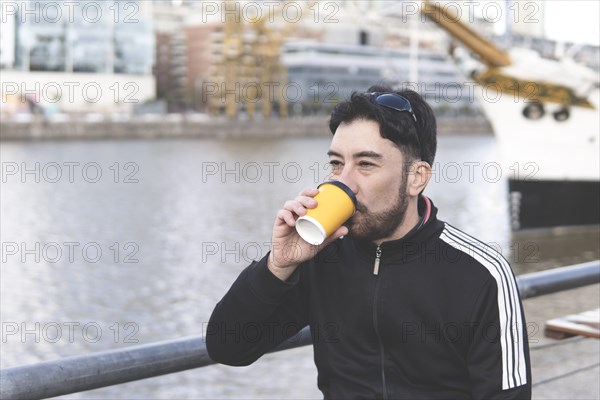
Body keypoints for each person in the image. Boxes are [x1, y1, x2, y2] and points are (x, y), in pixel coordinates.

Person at [206, 85, 532, 399]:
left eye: (365, 164)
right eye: (336, 163)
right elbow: (228, 347)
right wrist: (278, 265)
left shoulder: (480, 274)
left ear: (416, 177)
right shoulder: (322, 258)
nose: (343, 182)